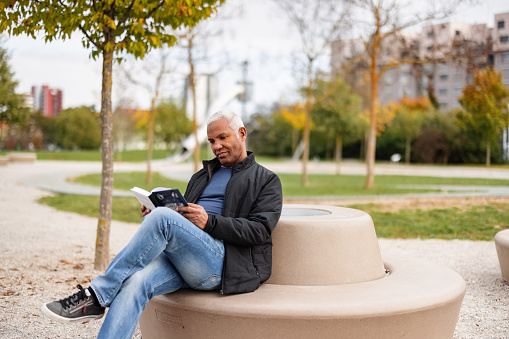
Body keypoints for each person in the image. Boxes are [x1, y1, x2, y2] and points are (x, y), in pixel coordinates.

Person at [41, 111, 283, 338]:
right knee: (136, 281)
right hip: (187, 260)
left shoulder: (266, 180)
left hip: (225, 265)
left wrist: (209, 222)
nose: (216, 146)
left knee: (163, 220)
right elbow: (184, 217)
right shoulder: (202, 176)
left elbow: (260, 231)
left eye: (222, 137)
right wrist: (158, 210)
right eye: (211, 140)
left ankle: (96, 295)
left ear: (242, 134)